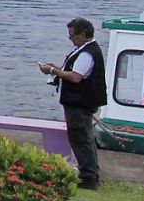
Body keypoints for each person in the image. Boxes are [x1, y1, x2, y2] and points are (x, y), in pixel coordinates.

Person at [39, 17, 105, 190]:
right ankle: (91, 173)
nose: (71, 40)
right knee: (85, 138)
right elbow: (74, 72)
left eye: (72, 36)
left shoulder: (87, 53)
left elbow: (76, 77)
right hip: (83, 102)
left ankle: (88, 176)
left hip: (80, 102)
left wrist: (53, 71)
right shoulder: (87, 49)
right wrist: (59, 69)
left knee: (80, 138)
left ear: (83, 34)